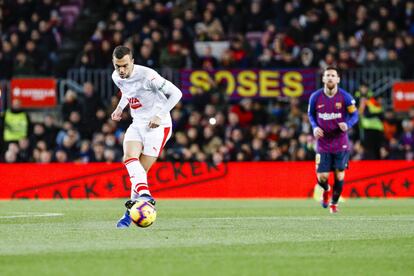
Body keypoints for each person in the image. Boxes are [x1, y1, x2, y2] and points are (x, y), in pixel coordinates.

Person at [110, 46, 182, 228]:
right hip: (137, 123)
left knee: (140, 170)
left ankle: (128, 214)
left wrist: (160, 115)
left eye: (125, 65)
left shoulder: (148, 75)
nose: (121, 70)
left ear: (132, 61)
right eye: (118, 66)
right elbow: (128, 92)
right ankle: (144, 195)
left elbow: (177, 93)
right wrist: (120, 107)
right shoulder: (116, 76)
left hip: (159, 125)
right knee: (129, 159)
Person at [307, 67, 358, 213]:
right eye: (327, 75)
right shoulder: (315, 97)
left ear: (337, 79)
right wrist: (315, 127)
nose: (330, 78)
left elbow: (355, 115)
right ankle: (326, 189)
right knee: (322, 177)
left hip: (340, 142)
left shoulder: (345, 97)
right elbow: (311, 115)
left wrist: (347, 125)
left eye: (333, 76)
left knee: (339, 174)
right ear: (323, 79)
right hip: (323, 143)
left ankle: (334, 204)